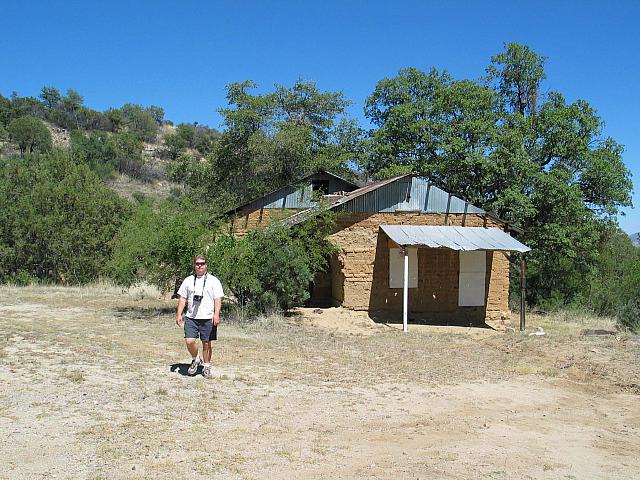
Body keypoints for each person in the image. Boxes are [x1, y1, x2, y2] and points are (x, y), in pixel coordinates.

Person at [176, 255, 224, 378]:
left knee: (207, 343)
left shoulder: (213, 280)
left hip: (208, 317)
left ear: (206, 265)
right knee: (189, 341)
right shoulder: (188, 280)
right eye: (197, 264)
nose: (200, 266)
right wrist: (179, 314)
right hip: (191, 317)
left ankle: (207, 366)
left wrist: (216, 314)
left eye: (202, 263)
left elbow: (217, 299)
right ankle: (195, 359)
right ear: (194, 266)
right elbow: (182, 298)